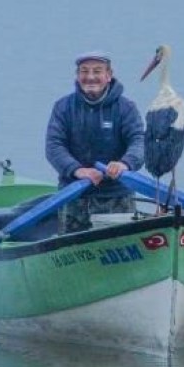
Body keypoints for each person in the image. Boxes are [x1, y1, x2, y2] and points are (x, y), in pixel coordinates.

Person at [45, 51, 146, 233]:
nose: (90, 77)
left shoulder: (126, 108)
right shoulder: (63, 107)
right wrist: (77, 170)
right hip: (74, 195)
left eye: (97, 71)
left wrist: (124, 163)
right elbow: (54, 147)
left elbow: (139, 142)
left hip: (117, 196)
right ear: (77, 76)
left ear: (108, 75)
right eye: (84, 71)